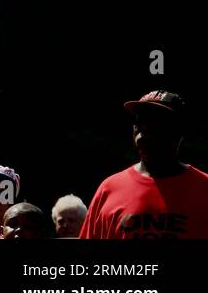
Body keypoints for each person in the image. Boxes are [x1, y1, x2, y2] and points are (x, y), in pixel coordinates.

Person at [80, 90, 208, 239]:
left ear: (178, 131)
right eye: (139, 121)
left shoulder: (204, 188)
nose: (143, 130)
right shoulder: (108, 189)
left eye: (154, 122)